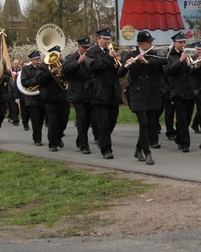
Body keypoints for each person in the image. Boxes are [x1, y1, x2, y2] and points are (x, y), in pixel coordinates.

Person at [119, 30, 167, 165]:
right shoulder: (132, 54)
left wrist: (148, 62)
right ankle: (147, 153)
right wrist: (128, 64)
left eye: (151, 41)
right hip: (137, 94)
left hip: (152, 93)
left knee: (150, 124)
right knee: (144, 123)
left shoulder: (153, 53)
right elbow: (120, 73)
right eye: (148, 42)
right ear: (140, 43)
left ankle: (138, 149)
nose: (151, 44)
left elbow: (165, 60)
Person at [84, 29, 123, 159]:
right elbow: (94, 67)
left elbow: (117, 72)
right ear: (98, 39)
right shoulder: (91, 52)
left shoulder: (110, 51)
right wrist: (108, 58)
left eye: (109, 39)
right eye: (105, 39)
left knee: (113, 119)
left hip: (112, 90)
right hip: (99, 91)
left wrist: (118, 62)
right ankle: (106, 150)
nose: (107, 42)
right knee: (103, 122)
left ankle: (102, 140)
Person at [63, 37, 94, 154]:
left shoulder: (91, 57)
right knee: (81, 118)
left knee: (87, 119)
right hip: (76, 93)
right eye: (84, 47)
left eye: (88, 47)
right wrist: (78, 62)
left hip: (89, 93)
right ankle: (84, 145)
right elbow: (64, 69)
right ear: (78, 47)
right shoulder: (71, 58)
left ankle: (79, 140)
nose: (86, 49)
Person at [166, 32, 196, 153]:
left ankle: (179, 137)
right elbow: (168, 70)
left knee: (187, 118)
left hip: (189, 90)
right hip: (177, 91)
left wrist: (197, 65)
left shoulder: (190, 55)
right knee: (182, 118)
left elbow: (193, 72)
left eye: (184, 42)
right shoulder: (170, 55)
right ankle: (185, 143)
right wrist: (180, 60)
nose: (182, 44)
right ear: (174, 43)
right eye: (180, 42)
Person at [38, 46, 70, 152]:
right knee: (52, 120)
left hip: (63, 97)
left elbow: (69, 78)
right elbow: (40, 80)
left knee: (63, 120)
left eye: (59, 55)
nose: (58, 57)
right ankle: (52, 143)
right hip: (49, 97)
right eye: (56, 55)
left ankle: (58, 136)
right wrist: (50, 72)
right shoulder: (43, 66)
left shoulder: (64, 64)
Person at [20, 50, 45, 147]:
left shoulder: (43, 67)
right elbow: (24, 82)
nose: (39, 60)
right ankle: (37, 139)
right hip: (32, 99)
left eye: (39, 58)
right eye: (36, 59)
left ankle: (38, 136)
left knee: (41, 119)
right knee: (35, 120)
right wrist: (38, 79)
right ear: (32, 60)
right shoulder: (26, 69)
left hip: (42, 97)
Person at [190, 41, 201, 134]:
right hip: (192, 86)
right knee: (198, 107)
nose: (199, 51)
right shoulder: (190, 58)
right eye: (197, 49)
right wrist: (197, 65)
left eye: (200, 49)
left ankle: (195, 124)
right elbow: (191, 73)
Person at [7, 59, 22, 127]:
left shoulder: (21, 71)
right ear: (13, 64)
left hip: (20, 92)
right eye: (15, 64)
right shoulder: (9, 72)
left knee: (19, 107)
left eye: (17, 64)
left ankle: (17, 118)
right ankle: (15, 120)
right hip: (12, 92)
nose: (16, 65)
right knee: (13, 107)